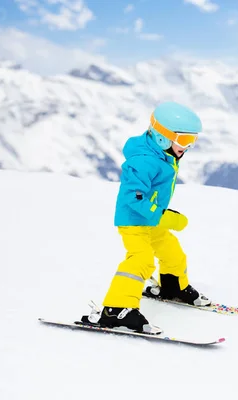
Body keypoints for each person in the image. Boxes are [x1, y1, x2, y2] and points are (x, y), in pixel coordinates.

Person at [95, 101, 211, 333]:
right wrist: (162, 216)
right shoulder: (144, 161)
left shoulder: (163, 156)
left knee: (172, 251)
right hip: (133, 222)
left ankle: (173, 288)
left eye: (193, 141)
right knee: (141, 259)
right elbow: (132, 198)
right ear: (162, 137)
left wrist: (160, 217)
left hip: (150, 220)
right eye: (185, 140)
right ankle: (116, 309)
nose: (187, 147)